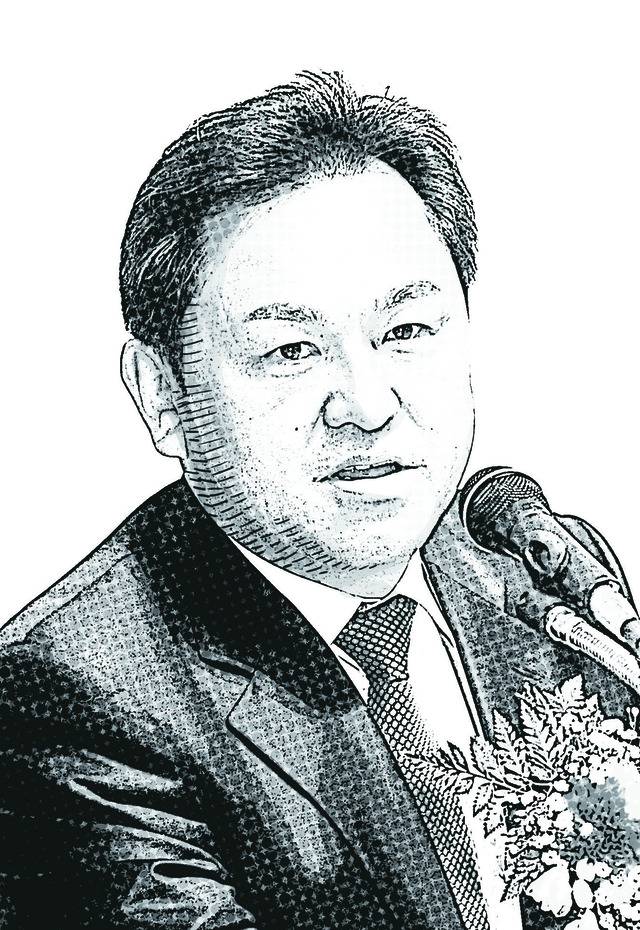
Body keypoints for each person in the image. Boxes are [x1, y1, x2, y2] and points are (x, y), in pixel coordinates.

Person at [0, 71, 633, 930]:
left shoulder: (533, 573)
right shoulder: (72, 695)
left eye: (405, 332)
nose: (367, 406)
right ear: (162, 395)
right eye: (292, 350)